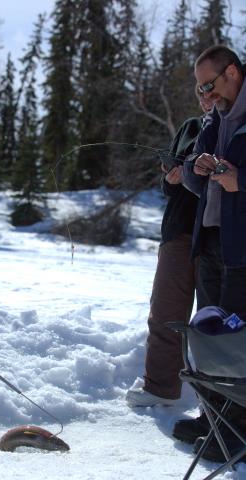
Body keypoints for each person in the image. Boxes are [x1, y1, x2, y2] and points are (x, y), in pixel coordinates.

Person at [173, 45, 246, 460]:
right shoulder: (214, 117)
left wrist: (243, 181)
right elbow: (190, 177)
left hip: (243, 249)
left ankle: (237, 433)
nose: (205, 94)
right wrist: (194, 169)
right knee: (208, 336)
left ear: (232, 72)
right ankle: (213, 418)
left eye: (208, 85)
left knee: (237, 343)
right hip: (213, 240)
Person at [126, 93, 213, 407]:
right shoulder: (190, 127)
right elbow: (167, 186)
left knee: (213, 321)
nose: (206, 97)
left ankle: (215, 402)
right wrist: (172, 177)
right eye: (200, 90)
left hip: (216, 235)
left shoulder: (234, 129)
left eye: (211, 89)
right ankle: (160, 389)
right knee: (165, 311)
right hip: (178, 230)